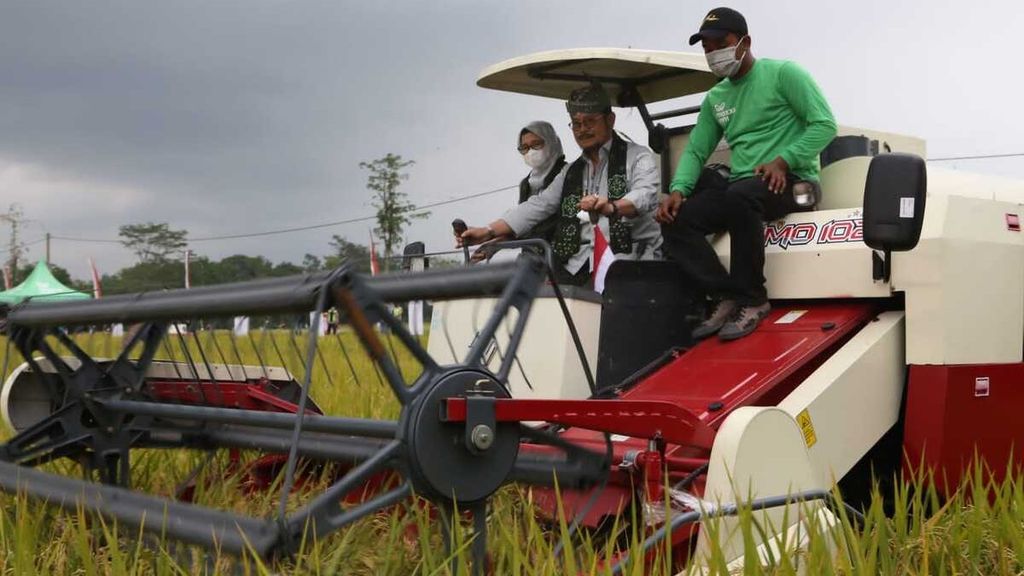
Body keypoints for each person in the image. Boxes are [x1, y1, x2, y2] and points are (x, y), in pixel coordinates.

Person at [657, 7, 837, 341]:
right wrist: (678, 190)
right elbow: (697, 149)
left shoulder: (785, 74)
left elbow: (825, 125)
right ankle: (726, 295)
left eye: (719, 43)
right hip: (744, 188)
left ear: (744, 42)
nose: (713, 53)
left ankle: (753, 299)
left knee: (741, 195)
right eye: (706, 48)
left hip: (795, 182)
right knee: (677, 219)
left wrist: (783, 161)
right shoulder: (716, 98)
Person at [459, 82, 662, 286]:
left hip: (632, 260)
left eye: (590, 121)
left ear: (610, 120)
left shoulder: (638, 156)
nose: (582, 130)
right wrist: (487, 231)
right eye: (576, 123)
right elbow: (539, 205)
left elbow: (645, 195)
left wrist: (611, 207)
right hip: (578, 264)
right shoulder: (571, 172)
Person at [516, 121, 567, 244]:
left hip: (562, 252)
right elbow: (523, 222)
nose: (531, 152)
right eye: (525, 148)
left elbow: (545, 209)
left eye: (536, 144)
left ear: (551, 142)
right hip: (532, 251)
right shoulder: (526, 184)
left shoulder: (567, 173)